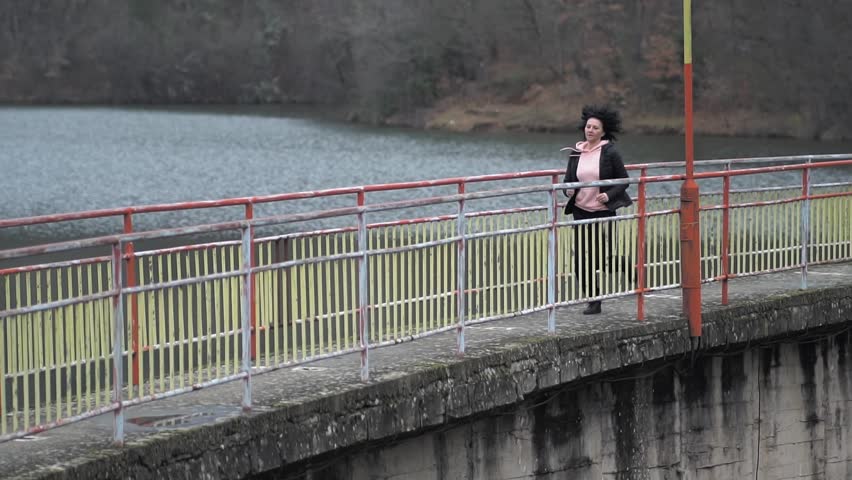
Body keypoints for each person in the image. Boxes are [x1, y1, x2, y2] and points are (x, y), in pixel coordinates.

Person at [562, 105, 632, 314]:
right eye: (588, 126)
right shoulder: (576, 152)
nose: (590, 130)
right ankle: (594, 300)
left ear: (603, 131)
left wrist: (608, 195)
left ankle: (626, 266)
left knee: (604, 259)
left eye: (595, 127)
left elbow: (624, 181)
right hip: (581, 211)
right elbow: (568, 182)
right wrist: (569, 192)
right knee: (581, 262)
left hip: (603, 211)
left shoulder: (609, 151)